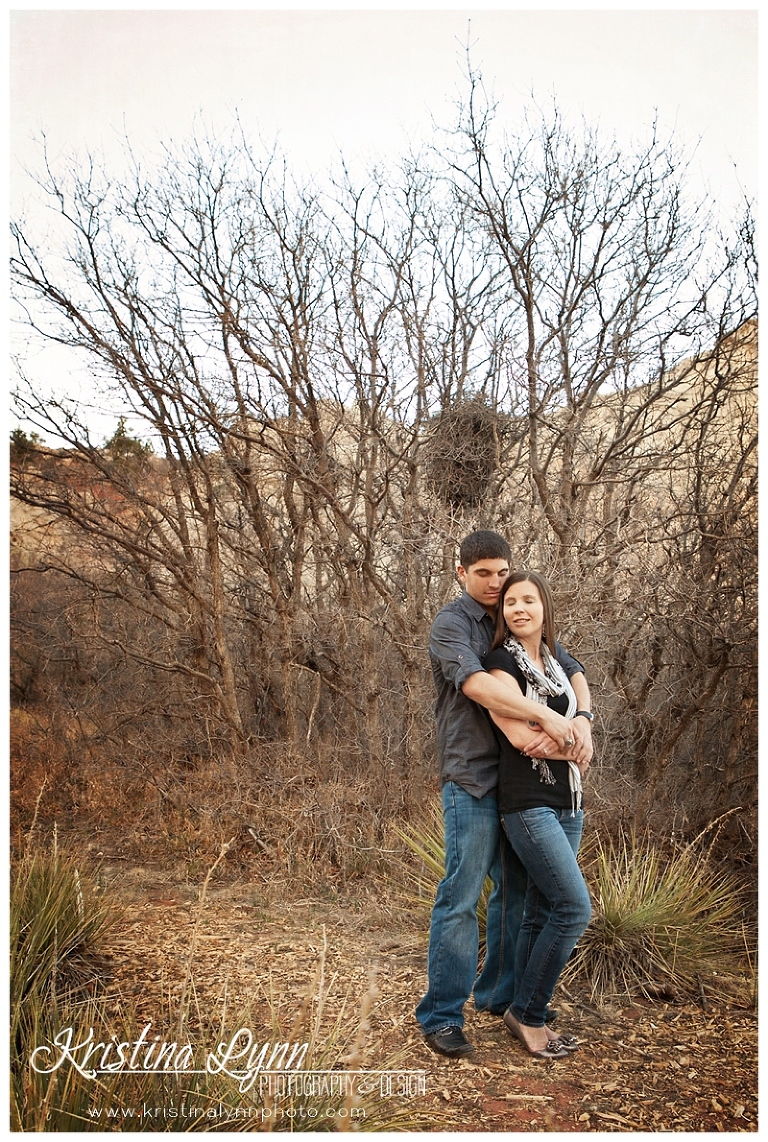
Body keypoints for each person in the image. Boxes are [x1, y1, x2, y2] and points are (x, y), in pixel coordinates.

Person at [415, 532, 593, 1059]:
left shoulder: (510, 616)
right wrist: (547, 717)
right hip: (473, 776)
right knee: (462, 895)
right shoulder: (453, 624)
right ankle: (442, 1015)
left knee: (515, 897)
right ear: (461, 571)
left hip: (521, 783)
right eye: (484, 573)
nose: (495, 583)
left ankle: (499, 996)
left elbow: (570, 664)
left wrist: (582, 716)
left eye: (501, 572)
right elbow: (476, 686)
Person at [483, 570, 593, 1060]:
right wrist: (572, 743)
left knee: (543, 910)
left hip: (569, 802)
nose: (518, 608)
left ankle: (524, 1005)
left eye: (528, 600)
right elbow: (519, 738)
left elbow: (580, 682)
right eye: (510, 602)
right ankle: (528, 1013)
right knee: (574, 907)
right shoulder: (500, 662)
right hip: (527, 803)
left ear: (544, 607)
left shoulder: (553, 659)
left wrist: (584, 721)